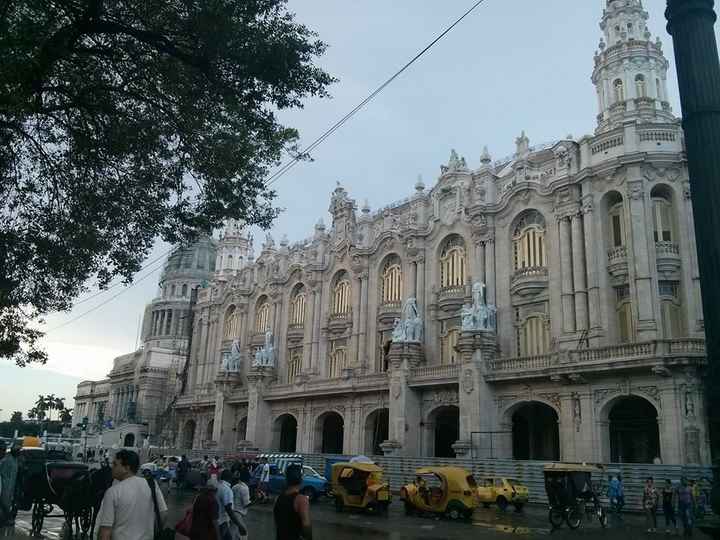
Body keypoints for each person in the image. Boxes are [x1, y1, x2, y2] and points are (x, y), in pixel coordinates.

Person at [96, 449, 168, 540]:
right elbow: (164, 515)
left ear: (127, 468)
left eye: (115, 464)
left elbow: (105, 531)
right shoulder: (152, 485)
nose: (112, 468)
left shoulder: (113, 492)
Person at [274, 464, 312, 540]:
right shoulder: (302, 500)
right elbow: (306, 525)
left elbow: (276, 523)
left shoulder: (278, 498)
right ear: (301, 479)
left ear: (286, 479)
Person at [217, 470, 246, 540]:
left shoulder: (218, 486)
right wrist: (239, 525)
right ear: (230, 478)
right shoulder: (227, 490)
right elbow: (228, 509)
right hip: (222, 522)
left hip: (218, 520)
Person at [0, 444, 18, 526]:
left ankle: (6, 518)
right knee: (4, 502)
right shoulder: (5, 460)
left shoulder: (16, 460)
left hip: (10, 485)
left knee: (7, 502)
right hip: (4, 484)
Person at [232, 468, 251, 540]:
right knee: (244, 532)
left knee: (234, 534)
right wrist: (257, 500)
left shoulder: (235, 486)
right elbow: (246, 504)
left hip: (232, 513)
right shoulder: (245, 488)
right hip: (238, 514)